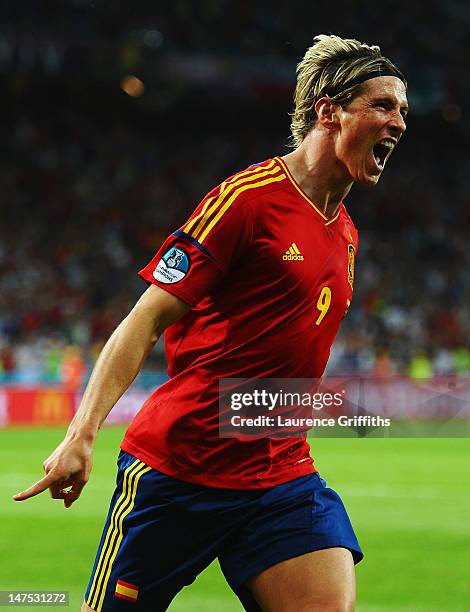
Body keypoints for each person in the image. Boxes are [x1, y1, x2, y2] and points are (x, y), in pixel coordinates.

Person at [14, 34, 408, 611]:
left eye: (403, 110)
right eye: (384, 105)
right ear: (329, 110)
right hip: (182, 470)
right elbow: (144, 319)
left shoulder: (346, 233)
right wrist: (81, 434)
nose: (399, 122)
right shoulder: (247, 200)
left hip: (281, 475)